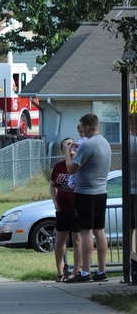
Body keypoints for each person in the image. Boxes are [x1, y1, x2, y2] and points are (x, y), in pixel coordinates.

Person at [65, 113, 112, 282]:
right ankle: (101, 270)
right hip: (101, 191)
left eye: (81, 127)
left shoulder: (88, 145)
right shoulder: (104, 143)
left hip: (85, 193)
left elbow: (71, 169)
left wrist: (66, 153)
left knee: (86, 232)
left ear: (86, 127)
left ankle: (85, 272)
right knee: (99, 230)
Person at [51, 137, 81, 282]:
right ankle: (60, 269)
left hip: (76, 207)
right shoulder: (58, 166)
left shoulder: (79, 163)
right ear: (62, 149)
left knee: (77, 240)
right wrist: (54, 200)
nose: (70, 147)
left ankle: (77, 270)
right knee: (60, 241)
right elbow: (52, 185)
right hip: (62, 209)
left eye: (72, 143)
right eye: (66, 145)